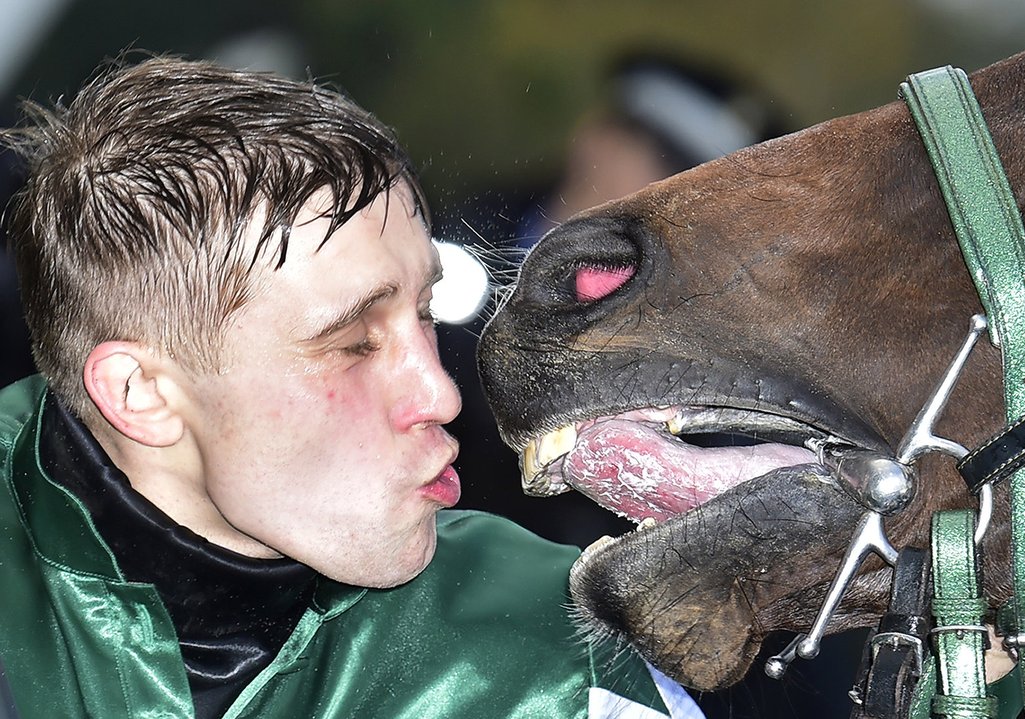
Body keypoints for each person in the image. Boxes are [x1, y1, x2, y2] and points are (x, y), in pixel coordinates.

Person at [0, 56, 703, 718]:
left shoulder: (550, 665)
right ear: (141, 393)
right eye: (354, 343)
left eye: (425, 313)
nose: (441, 394)